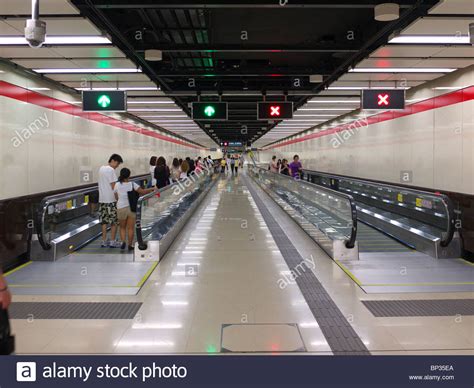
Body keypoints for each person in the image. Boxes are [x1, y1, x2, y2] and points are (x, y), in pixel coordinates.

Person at [114, 168, 154, 251]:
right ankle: (130, 245)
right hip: (131, 208)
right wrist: (152, 189)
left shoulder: (117, 185)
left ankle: (123, 242)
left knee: (122, 227)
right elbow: (142, 192)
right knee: (131, 228)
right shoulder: (132, 184)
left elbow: (116, 197)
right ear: (129, 175)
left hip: (121, 207)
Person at [98, 153, 123, 248]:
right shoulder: (111, 170)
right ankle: (112, 241)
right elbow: (114, 187)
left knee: (104, 222)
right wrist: (118, 198)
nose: (117, 166)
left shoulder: (101, 168)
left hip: (102, 200)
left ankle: (104, 241)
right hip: (111, 200)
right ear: (113, 161)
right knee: (114, 222)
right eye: (117, 163)